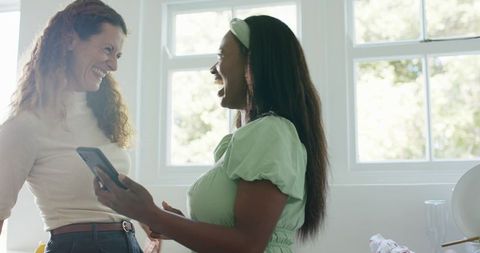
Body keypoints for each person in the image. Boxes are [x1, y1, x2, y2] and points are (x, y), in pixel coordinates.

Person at [94, 15, 329, 253]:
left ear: (252, 65)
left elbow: (248, 245)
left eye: (221, 56)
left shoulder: (270, 133)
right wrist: (176, 223)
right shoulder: (257, 137)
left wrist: (149, 213)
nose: (213, 70)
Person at [0, 0, 146, 252]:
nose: (114, 64)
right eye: (107, 50)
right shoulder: (25, 126)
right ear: (69, 41)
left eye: (118, 55)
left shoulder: (103, 118)